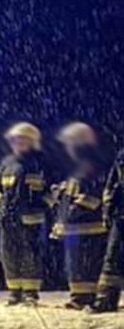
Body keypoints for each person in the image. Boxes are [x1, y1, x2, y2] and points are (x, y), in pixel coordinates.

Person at [0, 122, 51, 305]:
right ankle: (14, 291)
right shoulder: (7, 163)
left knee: (30, 254)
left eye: (23, 139)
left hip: (31, 218)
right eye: (15, 139)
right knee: (8, 254)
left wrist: (41, 206)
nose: (18, 142)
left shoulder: (40, 163)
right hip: (8, 218)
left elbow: (52, 189)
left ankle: (31, 292)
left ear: (32, 141)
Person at [51, 122, 109, 309]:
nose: (67, 148)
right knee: (75, 263)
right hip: (73, 227)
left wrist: (72, 211)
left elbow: (94, 195)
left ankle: (87, 297)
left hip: (88, 226)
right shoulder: (79, 166)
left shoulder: (92, 166)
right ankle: (79, 296)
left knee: (86, 262)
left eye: (69, 143)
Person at [93, 143, 124, 313]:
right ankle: (106, 300)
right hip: (121, 216)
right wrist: (108, 211)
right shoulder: (122, 155)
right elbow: (112, 186)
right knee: (113, 259)